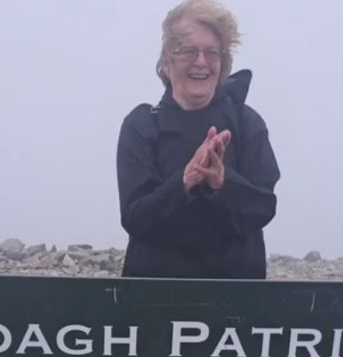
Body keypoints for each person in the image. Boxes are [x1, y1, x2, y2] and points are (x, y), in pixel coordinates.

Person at [116, 0, 280, 279]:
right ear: (167, 61)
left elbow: (263, 207)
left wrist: (222, 182)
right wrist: (185, 181)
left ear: (223, 63)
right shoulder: (141, 125)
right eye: (188, 51)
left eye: (211, 53)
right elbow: (135, 218)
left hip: (236, 302)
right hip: (153, 302)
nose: (201, 62)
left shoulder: (247, 123)